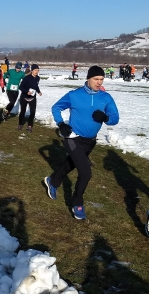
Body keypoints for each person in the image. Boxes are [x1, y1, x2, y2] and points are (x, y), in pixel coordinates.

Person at [44, 65, 119, 221]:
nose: (99, 82)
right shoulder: (74, 95)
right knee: (85, 173)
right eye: (96, 79)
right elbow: (56, 107)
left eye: (101, 79)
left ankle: (52, 181)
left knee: (71, 163)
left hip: (90, 142)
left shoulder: (106, 98)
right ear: (88, 78)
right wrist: (61, 124)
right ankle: (77, 204)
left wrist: (106, 118)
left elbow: (115, 118)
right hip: (72, 137)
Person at [18, 63, 42, 132]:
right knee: (23, 111)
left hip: (32, 97)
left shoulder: (38, 78)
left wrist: (39, 91)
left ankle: (29, 126)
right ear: (32, 70)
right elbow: (21, 87)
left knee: (32, 112)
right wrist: (27, 92)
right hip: (24, 97)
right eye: (35, 70)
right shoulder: (26, 78)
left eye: (38, 70)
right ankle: (20, 124)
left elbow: (36, 86)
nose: (37, 72)